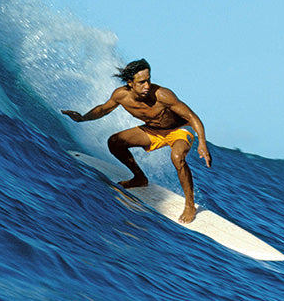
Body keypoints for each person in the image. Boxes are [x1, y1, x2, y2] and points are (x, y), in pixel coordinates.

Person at [62, 59, 212, 223]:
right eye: (141, 82)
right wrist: (82, 118)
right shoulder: (121, 96)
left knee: (177, 157)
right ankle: (139, 178)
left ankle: (190, 205)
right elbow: (103, 109)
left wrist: (202, 143)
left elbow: (192, 116)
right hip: (154, 131)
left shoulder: (163, 95)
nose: (147, 85)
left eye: (148, 80)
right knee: (114, 142)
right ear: (130, 83)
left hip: (179, 129)